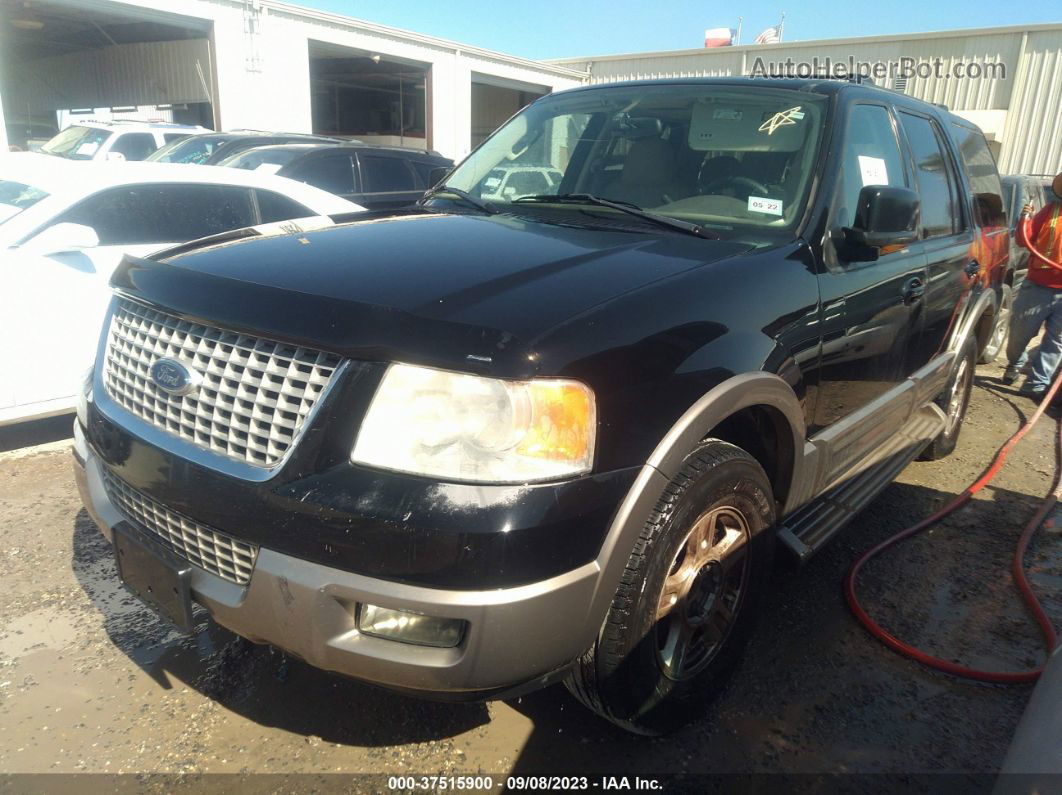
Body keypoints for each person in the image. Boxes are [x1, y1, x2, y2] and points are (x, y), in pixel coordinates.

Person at [1002, 172, 1062, 397]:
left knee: (1056, 343)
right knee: (1019, 333)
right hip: (1037, 286)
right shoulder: (1050, 212)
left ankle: (1036, 385)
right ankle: (1016, 362)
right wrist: (1024, 220)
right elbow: (1022, 240)